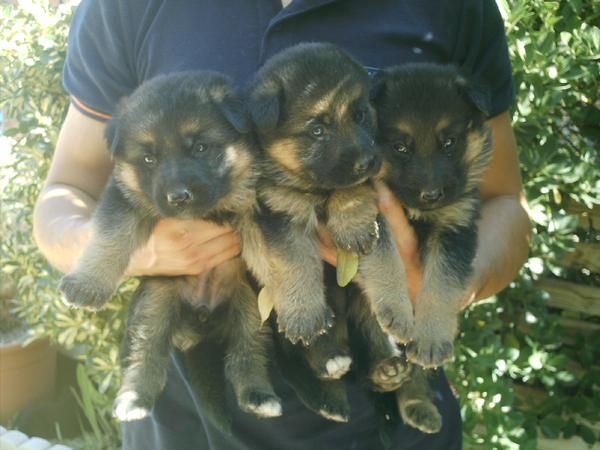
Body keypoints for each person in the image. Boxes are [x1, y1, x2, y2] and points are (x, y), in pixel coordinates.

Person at [33, 0, 530, 448]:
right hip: (186, 419)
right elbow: (67, 189)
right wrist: (134, 252)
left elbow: (503, 199)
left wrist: (442, 288)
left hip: (382, 420)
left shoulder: (454, 9)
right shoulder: (126, 8)